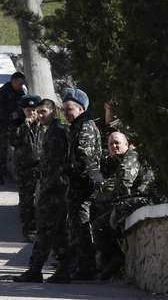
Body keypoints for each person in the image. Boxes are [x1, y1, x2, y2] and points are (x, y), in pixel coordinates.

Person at [14, 98, 72, 283]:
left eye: (43, 112)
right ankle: (62, 269)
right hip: (53, 187)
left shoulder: (56, 132)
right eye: (37, 112)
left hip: (54, 189)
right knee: (57, 231)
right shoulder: (52, 130)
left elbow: (55, 164)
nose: (39, 116)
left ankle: (36, 269)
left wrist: (46, 189)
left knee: (45, 229)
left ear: (53, 111)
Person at [93, 131, 146, 280]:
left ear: (126, 144)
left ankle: (116, 259)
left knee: (103, 223)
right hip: (131, 199)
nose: (114, 146)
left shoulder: (131, 157)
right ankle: (109, 260)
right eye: (111, 144)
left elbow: (124, 184)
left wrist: (113, 203)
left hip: (142, 199)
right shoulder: (116, 160)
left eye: (117, 143)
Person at [63, 87, 103, 280]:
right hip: (78, 183)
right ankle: (80, 264)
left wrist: (73, 172)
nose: (65, 113)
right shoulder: (77, 125)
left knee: (82, 225)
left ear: (81, 109)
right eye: (64, 109)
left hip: (83, 185)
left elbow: (84, 157)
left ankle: (87, 267)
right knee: (76, 225)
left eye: (69, 108)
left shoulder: (85, 126)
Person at [10, 94, 44, 241]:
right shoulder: (17, 125)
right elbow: (13, 141)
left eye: (34, 109)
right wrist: (25, 126)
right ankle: (29, 229)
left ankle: (41, 228)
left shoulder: (44, 125)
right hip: (24, 169)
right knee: (27, 200)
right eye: (28, 110)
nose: (31, 112)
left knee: (42, 199)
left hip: (42, 168)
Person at [0, 72, 26, 184]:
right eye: (19, 83)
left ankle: (8, 172)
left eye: (22, 83)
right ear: (13, 81)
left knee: (15, 150)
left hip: (14, 126)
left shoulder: (20, 92)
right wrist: (12, 116)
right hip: (1, 127)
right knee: (0, 150)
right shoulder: (2, 93)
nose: (21, 85)